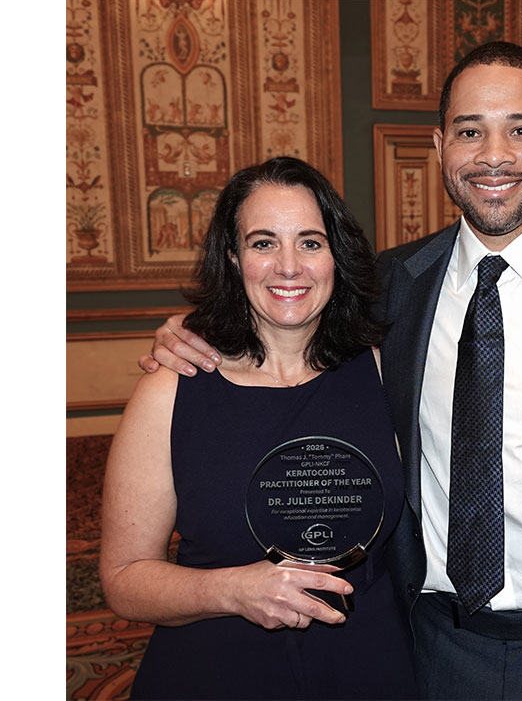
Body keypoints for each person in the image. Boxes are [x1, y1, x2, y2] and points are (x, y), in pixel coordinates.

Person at [143, 42, 522, 700]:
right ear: (439, 144)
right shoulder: (392, 285)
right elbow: (282, 301)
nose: (494, 155)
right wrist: (191, 333)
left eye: (521, 128)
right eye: (469, 131)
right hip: (431, 650)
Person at [103, 156, 418, 700]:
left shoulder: (388, 371)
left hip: (368, 668)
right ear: (233, 256)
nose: (289, 267)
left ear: (336, 257)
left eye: (311, 243)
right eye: (264, 242)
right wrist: (234, 589)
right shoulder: (175, 386)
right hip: (217, 671)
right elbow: (125, 579)